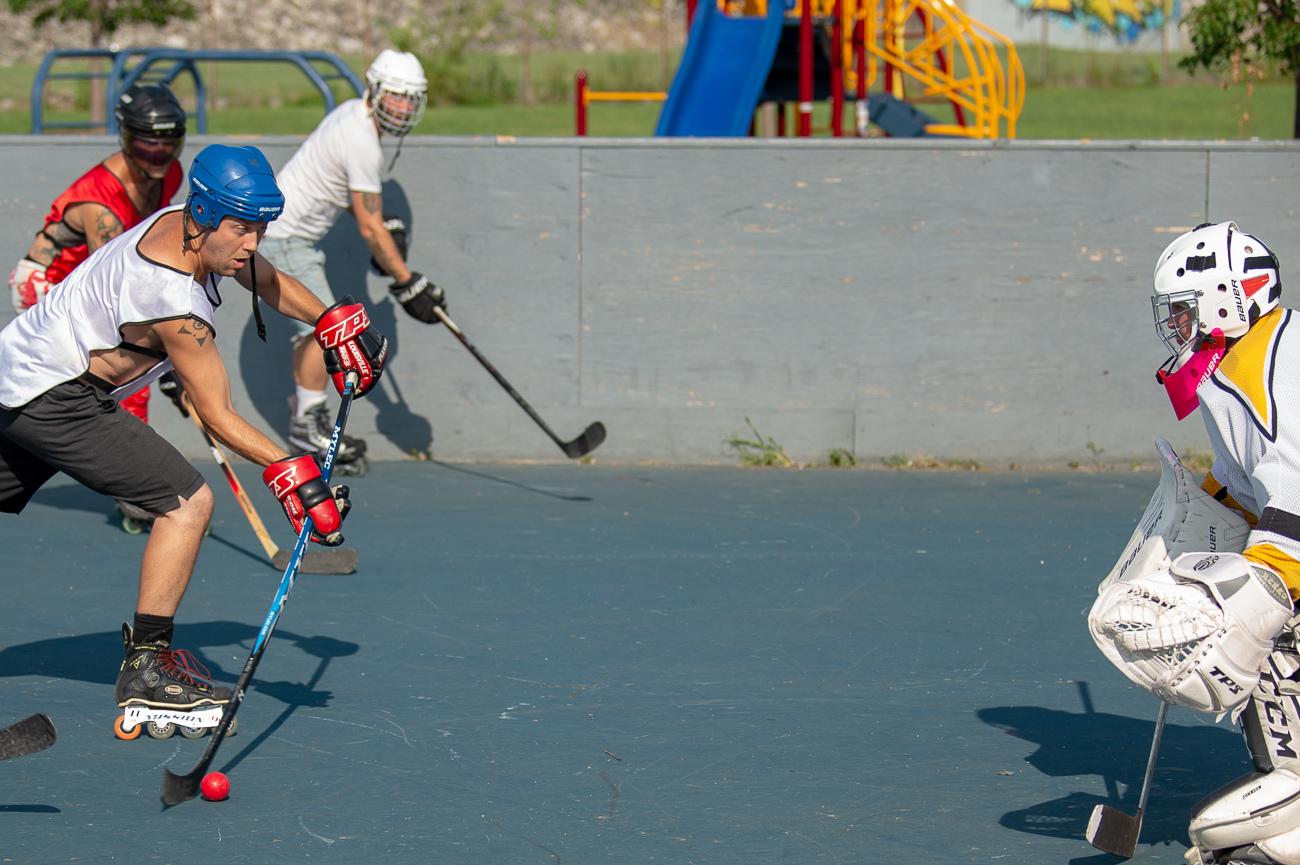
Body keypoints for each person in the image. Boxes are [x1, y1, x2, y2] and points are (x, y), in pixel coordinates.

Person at [0, 144, 388, 736]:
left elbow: (257, 272)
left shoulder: (184, 224)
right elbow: (219, 416)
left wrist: (328, 318)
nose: (251, 242)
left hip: (20, 373)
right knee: (185, 502)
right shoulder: (175, 303)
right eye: (241, 227)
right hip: (54, 395)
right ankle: (148, 669)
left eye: (259, 228)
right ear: (205, 214)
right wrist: (293, 470)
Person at [1088, 222, 1300, 865]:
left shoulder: (1278, 361)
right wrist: (1191, 536)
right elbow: (1248, 481)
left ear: (1227, 300)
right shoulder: (1234, 365)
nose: (1175, 324)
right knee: (1253, 625)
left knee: (1253, 622)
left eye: (1183, 309)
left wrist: (1252, 584)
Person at [8, 82, 189, 532]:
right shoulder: (100, 203)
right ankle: (138, 493)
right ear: (126, 138)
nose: (159, 153)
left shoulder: (170, 173)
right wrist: (166, 364)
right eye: (148, 141)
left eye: (169, 142)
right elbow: (119, 286)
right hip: (48, 284)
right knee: (123, 376)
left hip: (92, 284)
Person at [260, 48, 446, 476]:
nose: (402, 108)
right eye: (396, 96)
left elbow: (341, 193)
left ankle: (306, 416)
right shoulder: (363, 141)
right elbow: (367, 226)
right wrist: (406, 280)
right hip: (287, 239)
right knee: (325, 329)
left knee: (319, 330)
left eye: (410, 99)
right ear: (375, 90)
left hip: (286, 235)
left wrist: (382, 229)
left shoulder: (351, 115)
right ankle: (308, 426)